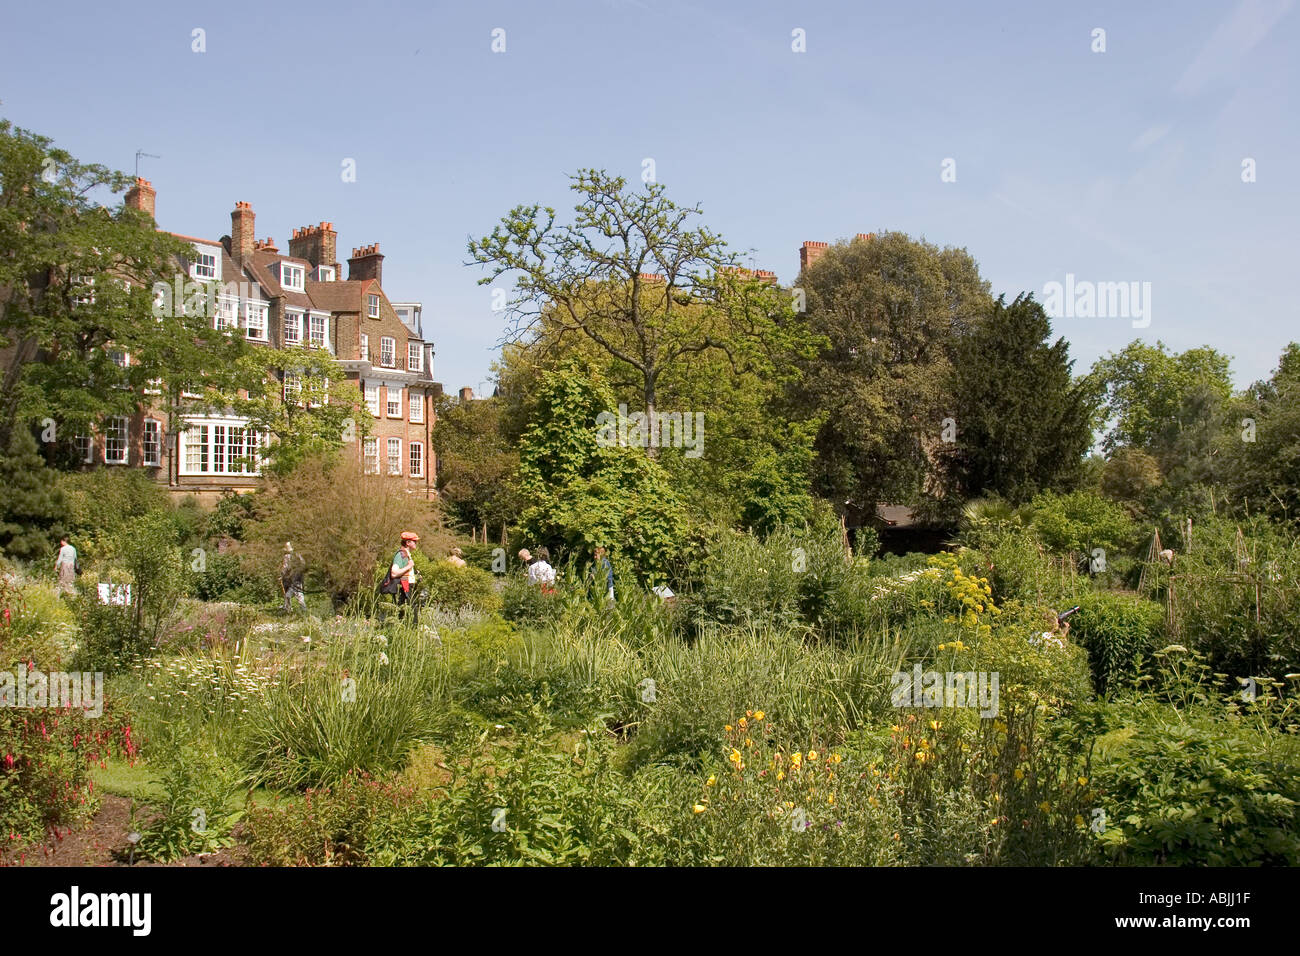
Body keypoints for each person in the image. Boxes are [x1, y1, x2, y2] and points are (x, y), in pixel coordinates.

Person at [390, 531, 420, 615]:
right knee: (406, 613)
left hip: (408, 587)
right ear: (408, 543)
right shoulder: (401, 555)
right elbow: (394, 573)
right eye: (414, 541)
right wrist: (409, 566)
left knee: (410, 611)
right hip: (404, 587)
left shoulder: (406, 554)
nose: (416, 543)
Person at [280, 542, 307, 612]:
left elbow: (285, 567)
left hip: (292, 580)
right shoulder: (298, 555)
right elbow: (304, 564)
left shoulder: (286, 557)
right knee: (297, 596)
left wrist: (281, 575)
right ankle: (303, 611)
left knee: (289, 596)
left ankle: (289, 610)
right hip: (298, 578)